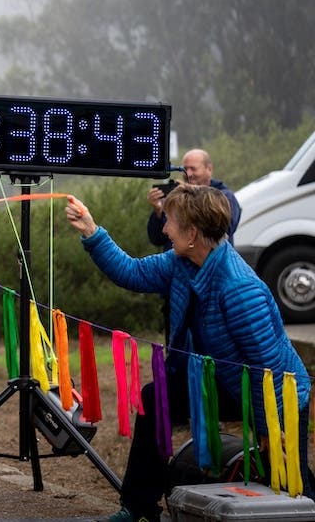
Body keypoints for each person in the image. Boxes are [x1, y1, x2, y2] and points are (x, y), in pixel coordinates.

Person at [66, 185, 312, 522]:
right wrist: (92, 231)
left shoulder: (239, 289)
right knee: (156, 398)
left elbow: (265, 370)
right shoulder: (180, 262)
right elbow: (132, 272)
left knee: (291, 485)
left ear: (192, 233)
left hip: (277, 395)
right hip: (220, 381)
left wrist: (269, 429)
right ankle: (139, 509)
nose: (165, 229)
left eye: (170, 222)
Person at [147, 148, 240, 249]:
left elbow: (220, 232)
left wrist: (190, 192)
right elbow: (157, 239)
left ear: (209, 169)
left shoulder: (225, 197)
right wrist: (158, 211)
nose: (189, 174)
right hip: (175, 257)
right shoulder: (177, 196)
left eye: (193, 169)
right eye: (185, 169)